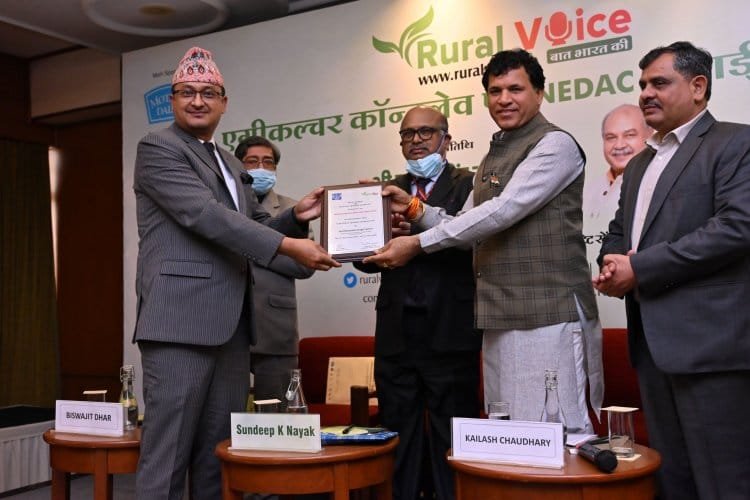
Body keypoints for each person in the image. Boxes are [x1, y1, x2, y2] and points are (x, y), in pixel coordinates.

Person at [132, 47, 339, 500]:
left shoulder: (229, 162)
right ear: (173, 99)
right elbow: (206, 216)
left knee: (217, 456)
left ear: (224, 102)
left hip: (231, 330)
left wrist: (296, 217)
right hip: (179, 325)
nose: (198, 101)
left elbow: (256, 226)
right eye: (187, 92)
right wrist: (290, 245)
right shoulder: (158, 148)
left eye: (208, 93)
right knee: (166, 458)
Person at [364, 49, 603, 434]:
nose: (504, 99)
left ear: (539, 93)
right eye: (495, 91)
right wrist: (411, 206)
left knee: (553, 429)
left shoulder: (555, 144)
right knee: (508, 433)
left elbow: (501, 212)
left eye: (515, 89)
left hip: (547, 312)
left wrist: (418, 244)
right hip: (498, 313)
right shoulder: (495, 154)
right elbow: (463, 224)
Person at [594, 41, 750, 500]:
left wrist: (639, 268)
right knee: (670, 481)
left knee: (724, 483)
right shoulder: (640, 162)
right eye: (642, 84)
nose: (646, 93)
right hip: (651, 347)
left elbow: (737, 227)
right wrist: (611, 263)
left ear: (698, 87)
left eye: (659, 83)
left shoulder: (736, 143)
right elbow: (619, 232)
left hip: (711, 349)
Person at [354, 107, 481, 500]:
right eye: (408, 134)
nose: (416, 140)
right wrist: (376, 240)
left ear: (446, 139)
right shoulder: (386, 189)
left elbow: (473, 242)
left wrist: (417, 238)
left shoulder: (470, 184)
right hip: (396, 332)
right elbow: (361, 258)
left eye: (426, 132)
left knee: (453, 437)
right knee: (398, 434)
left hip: (450, 328)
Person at [233, 136, 314, 409]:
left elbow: (304, 264)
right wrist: (275, 248)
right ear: (239, 167)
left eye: (268, 162)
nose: (261, 168)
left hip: (275, 326)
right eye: (252, 161)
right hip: (228, 327)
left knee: (278, 416)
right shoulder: (224, 209)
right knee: (226, 415)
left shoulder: (293, 209)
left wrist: (252, 246)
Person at [583, 104, 652, 224]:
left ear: (650, 135)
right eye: (611, 137)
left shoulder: (658, 183)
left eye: (629, 135)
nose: (619, 145)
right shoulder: (589, 191)